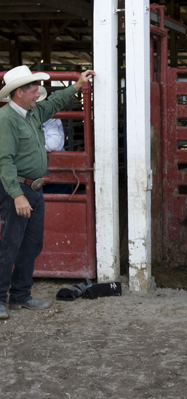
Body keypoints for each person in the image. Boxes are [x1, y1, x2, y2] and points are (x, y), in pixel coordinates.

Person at [0, 65, 95, 319]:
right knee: (10, 244)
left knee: (31, 243)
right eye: (33, 90)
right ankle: (0, 298)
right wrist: (16, 194)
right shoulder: (7, 119)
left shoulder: (30, 114)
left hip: (32, 187)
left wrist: (76, 86)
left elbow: (52, 104)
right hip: (17, 188)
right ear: (19, 92)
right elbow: (4, 160)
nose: (37, 94)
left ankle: (20, 295)